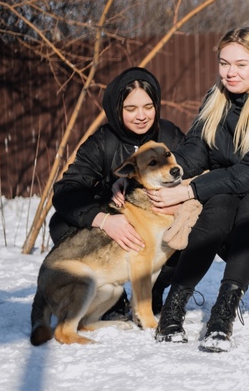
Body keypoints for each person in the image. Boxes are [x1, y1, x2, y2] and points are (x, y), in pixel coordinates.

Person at [144, 25, 249, 352]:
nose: (229, 72)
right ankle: (173, 308)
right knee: (220, 201)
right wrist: (155, 177)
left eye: (240, 64)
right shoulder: (218, 99)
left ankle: (222, 317)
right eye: (224, 63)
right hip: (232, 202)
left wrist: (188, 192)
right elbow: (194, 151)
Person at [49, 67, 185, 319]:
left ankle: (155, 292)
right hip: (116, 221)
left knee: (190, 226)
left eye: (148, 107)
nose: (141, 116)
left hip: (162, 217)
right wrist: (104, 218)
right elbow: (67, 190)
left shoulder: (169, 135)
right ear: (116, 109)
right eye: (131, 109)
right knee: (61, 223)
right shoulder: (102, 142)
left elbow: (197, 170)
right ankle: (112, 296)